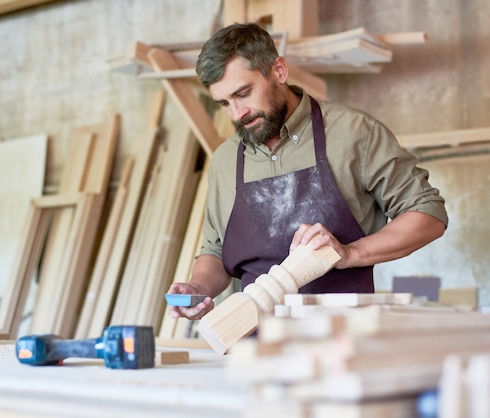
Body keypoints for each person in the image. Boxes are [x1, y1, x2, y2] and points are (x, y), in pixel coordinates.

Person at [167, 22, 448, 320]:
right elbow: (216, 251)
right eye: (224, 103)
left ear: (279, 71)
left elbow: (428, 213)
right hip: (253, 345)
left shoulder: (354, 134)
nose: (237, 113)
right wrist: (196, 288)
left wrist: (350, 254)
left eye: (244, 93)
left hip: (341, 341)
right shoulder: (225, 161)